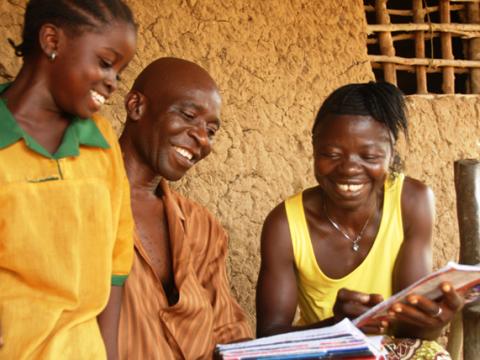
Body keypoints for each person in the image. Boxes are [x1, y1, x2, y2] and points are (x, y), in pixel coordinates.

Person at [256, 82, 464, 358]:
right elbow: (268, 336)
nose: (350, 169)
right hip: (322, 351)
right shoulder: (284, 225)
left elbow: (414, 334)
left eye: (369, 156)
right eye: (331, 154)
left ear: (391, 154)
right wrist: (339, 327)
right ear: (314, 149)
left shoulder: (411, 202)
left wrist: (434, 321)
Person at [0, 1, 137, 359]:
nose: (112, 82)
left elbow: (116, 265)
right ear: (51, 41)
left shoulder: (102, 143)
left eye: (119, 72)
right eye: (106, 63)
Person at [118, 57, 253, 359]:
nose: (202, 139)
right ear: (136, 107)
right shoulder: (79, 204)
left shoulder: (201, 226)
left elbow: (227, 328)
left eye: (212, 130)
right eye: (189, 115)